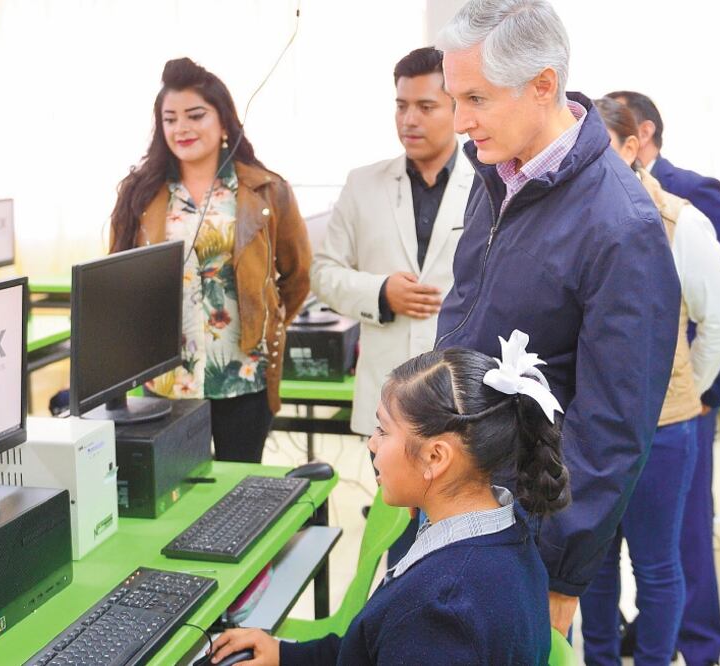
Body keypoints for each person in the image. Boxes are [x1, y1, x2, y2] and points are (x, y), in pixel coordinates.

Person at [434, 0, 680, 635]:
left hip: (525, 531)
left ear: (543, 83)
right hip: (462, 496)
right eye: (454, 98)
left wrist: (559, 571)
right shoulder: (497, 172)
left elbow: (612, 428)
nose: (459, 122)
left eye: (476, 100)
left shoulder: (621, 225)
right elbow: (468, 315)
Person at [205, 332, 569, 665]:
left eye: (383, 429)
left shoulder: (440, 610)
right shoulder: (507, 533)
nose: (371, 442)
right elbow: (374, 644)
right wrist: (286, 654)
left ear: (435, 457)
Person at [579, 97, 720, 665]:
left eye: (604, 145)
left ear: (633, 147)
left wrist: (686, 391)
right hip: (589, 428)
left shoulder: (678, 218)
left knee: (657, 564)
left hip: (662, 429)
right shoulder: (572, 216)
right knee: (590, 564)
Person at [310, 46, 475, 564]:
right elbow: (324, 273)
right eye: (401, 105)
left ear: (456, 109)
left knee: (462, 538)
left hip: (464, 396)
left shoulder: (488, 180)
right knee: (394, 541)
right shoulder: (364, 183)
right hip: (392, 396)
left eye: (426, 106)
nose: (409, 119)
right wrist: (380, 292)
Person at [108, 58, 311, 463]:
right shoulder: (140, 193)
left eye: (195, 115)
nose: (181, 128)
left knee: (239, 489)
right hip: (166, 379)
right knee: (175, 498)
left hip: (243, 374)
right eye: (170, 119)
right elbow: (118, 281)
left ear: (224, 122)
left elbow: (297, 274)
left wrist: (264, 322)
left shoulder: (267, 190)